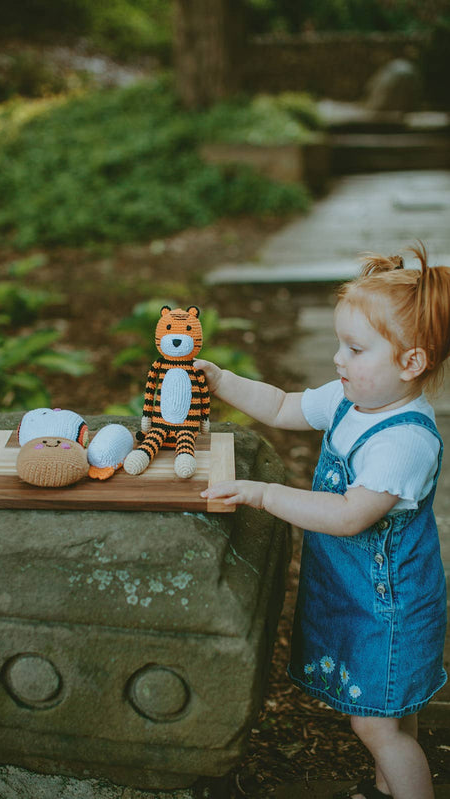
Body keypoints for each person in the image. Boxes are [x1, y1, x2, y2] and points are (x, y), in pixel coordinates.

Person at [195, 244, 449, 799]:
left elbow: (348, 515)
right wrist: (222, 381)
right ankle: (389, 789)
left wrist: (264, 494)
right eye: (339, 342)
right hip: (363, 596)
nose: (338, 358)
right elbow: (285, 406)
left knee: (376, 725)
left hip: (392, 609)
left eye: (356, 348)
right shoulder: (351, 400)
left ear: (411, 363)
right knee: (388, 717)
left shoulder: (403, 440)